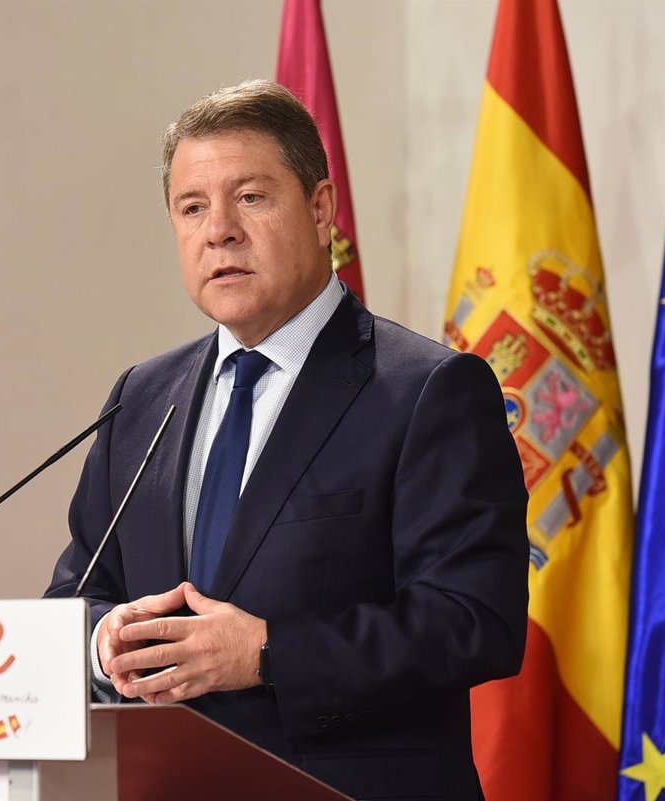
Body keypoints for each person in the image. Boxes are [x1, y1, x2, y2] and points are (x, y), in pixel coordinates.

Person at [44, 79, 527, 801]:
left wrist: (268, 653)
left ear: (321, 208)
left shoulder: (428, 390)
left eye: (251, 197)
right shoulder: (141, 398)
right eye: (192, 207)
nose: (220, 231)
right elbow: (76, 594)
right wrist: (100, 641)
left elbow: (473, 620)